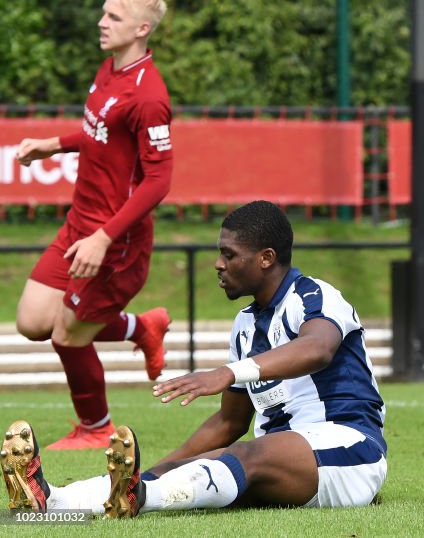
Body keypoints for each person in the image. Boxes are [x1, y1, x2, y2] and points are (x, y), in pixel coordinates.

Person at [1, 200, 387, 517]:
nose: (218, 264)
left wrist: (226, 373)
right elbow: (229, 421)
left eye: (229, 254)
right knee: (193, 467)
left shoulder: (314, 296)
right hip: (281, 460)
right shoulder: (245, 325)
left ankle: (138, 501)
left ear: (266, 258)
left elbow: (318, 348)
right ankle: (54, 501)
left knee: (246, 455)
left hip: (350, 449)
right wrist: (150, 470)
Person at [14, 0, 174, 449]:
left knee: (66, 333)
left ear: (142, 28)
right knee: (31, 323)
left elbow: (159, 181)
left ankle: (95, 427)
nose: (102, 23)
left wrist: (104, 237)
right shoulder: (110, 69)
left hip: (114, 242)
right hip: (77, 224)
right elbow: (100, 131)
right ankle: (140, 326)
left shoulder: (150, 97)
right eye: (104, 13)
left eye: (114, 17)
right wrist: (54, 144)